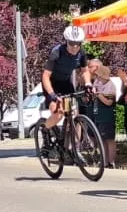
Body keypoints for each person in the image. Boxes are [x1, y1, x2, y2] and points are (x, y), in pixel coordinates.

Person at [39, 25, 92, 153]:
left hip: (66, 84)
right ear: (66, 41)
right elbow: (45, 76)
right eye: (71, 43)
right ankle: (45, 130)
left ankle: (72, 147)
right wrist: (51, 94)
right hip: (52, 85)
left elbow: (85, 71)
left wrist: (88, 84)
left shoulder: (81, 53)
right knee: (58, 114)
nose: (74, 46)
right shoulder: (57, 52)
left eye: (77, 43)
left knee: (73, 114)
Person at [82, 59, 123, 168]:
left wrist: (98, 94)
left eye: (99, 76)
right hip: (98, 115)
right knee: (101, 139)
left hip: (107, 116)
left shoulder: (110, 85)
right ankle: (104, 161)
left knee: (109, 139)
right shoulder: (97, 82)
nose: (98, 78)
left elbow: (109, 102)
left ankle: (111, 161)